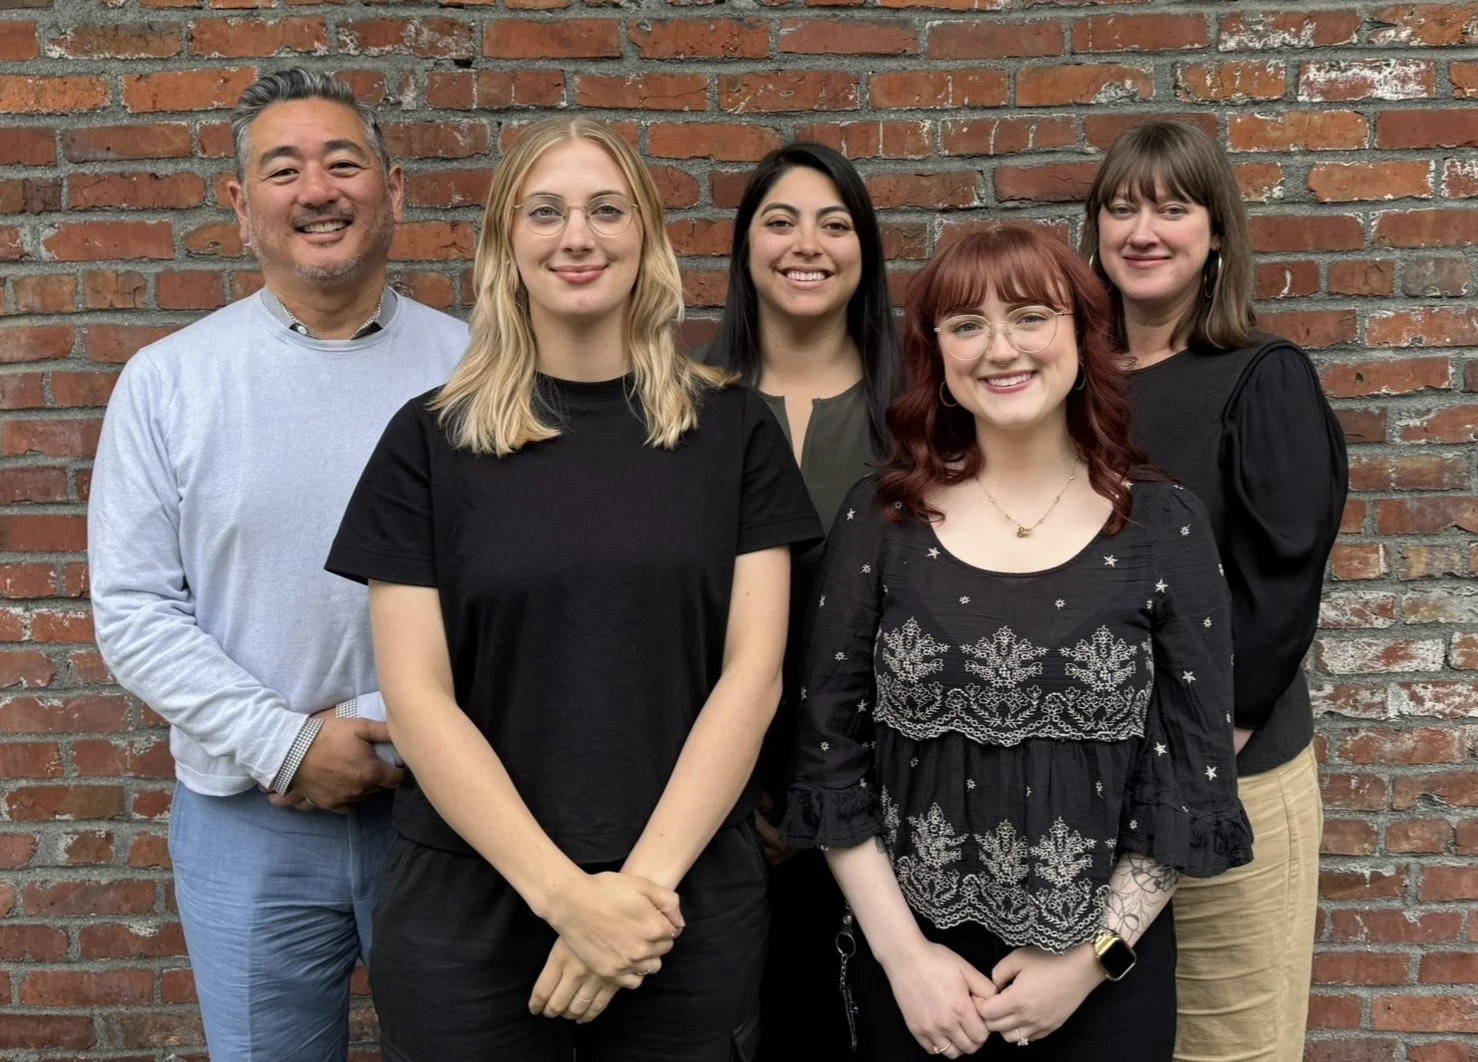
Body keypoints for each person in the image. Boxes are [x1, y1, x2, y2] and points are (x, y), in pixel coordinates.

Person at [324, 115, 821, 1060]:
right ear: (507, 245)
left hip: (680, 904)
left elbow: (752, 680)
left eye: (606, 209)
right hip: (472, 911)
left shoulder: (736, 433)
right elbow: (419, 699)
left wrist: (631, 904)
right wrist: (567, 901)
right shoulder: (428, 444)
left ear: (649, 239)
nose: (577, 235)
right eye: (544, 211)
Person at [781, 224, 1253, 1060]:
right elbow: (828, 760)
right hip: (916, 975)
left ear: (1081, 334)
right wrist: (904, 959)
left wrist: (1089, 962)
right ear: (938, 357)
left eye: (1030, 316)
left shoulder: (1164, 526)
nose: (1000, 349)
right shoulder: (881, 520)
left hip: (1106, 977)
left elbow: (1189, 778)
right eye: (966, 326)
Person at [88, 69, 469, 1060]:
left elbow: (519, 589)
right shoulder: (168, 383)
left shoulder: (475, 370)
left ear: (391, 188)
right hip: (247, 821)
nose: (317, 190)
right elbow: (133, 611)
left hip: (452, 811)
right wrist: (289, 745)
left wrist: (421, 742)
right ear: (241, 204)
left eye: (343, 164)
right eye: (283, 168)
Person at [1082, 120, 1347, 1062]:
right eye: (1122, 209)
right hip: (1088, 793)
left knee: (1226, 1045)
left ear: (1216, 233)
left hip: (1228, 779)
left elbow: (1278, 601)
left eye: (1171, 208)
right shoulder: (1073, 380)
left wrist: (1185, 782)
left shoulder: (1260, 379)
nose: (1143, 231)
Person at [706, 141, 901, 1061]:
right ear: (744, 248)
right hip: (714, 806)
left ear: (864, 247)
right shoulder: (681, 408)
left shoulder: (922, 414)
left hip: (891, 804)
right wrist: (741, 791)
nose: (806, 244)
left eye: (834, 222)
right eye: (779, 221)